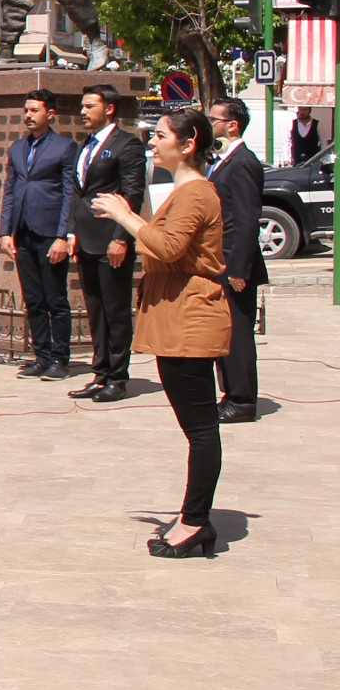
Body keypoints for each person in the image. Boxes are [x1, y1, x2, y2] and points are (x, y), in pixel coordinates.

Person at [90, 110, 230, 559]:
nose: (152, 142)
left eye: (161, 136)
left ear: (188, 145)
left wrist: (125, 216)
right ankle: (194, 518)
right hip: (177, 314)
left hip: (191, 319)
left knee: (201, 430)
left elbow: (168, 247)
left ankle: (195, 522)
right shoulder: (183, 190)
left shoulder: (196, 192)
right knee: (197, 428)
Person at [66, 85, 144, 403]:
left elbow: (133, 194)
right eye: (82, 106)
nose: (83, 112)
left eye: (89, 106)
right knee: (95, 310)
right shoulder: (85, 144)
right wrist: (72, 232)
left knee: (115, 311)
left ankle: (118, 378)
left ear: (109, 108)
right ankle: (100, 373)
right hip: (86, 239)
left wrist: (121, 237)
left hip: (111, 238)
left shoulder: (127, 145)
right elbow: (78, 192)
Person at [0, 89, 78, 381]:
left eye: (35, 110)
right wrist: (6, 231)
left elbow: (70, 194)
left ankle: (60, 359)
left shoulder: (65, 147)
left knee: (55, 299)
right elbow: (10, 191)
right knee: (33, 299)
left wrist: (63, 236)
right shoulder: (18, 148)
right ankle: (41, 356)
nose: (28, 115)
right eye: (26, 110)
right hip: (23, 232)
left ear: (50, 114)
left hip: (50, 232)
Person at [206, 100, 268, 424]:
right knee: (225, 333)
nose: (209, 124)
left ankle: (242, 401)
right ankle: (229, 394)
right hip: (219, 261)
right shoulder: (222, 160)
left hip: (234, 264)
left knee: (238, 335)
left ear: (232, 125)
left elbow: (246, 219)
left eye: (213, 119)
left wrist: (239, 269)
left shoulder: (243, 162)